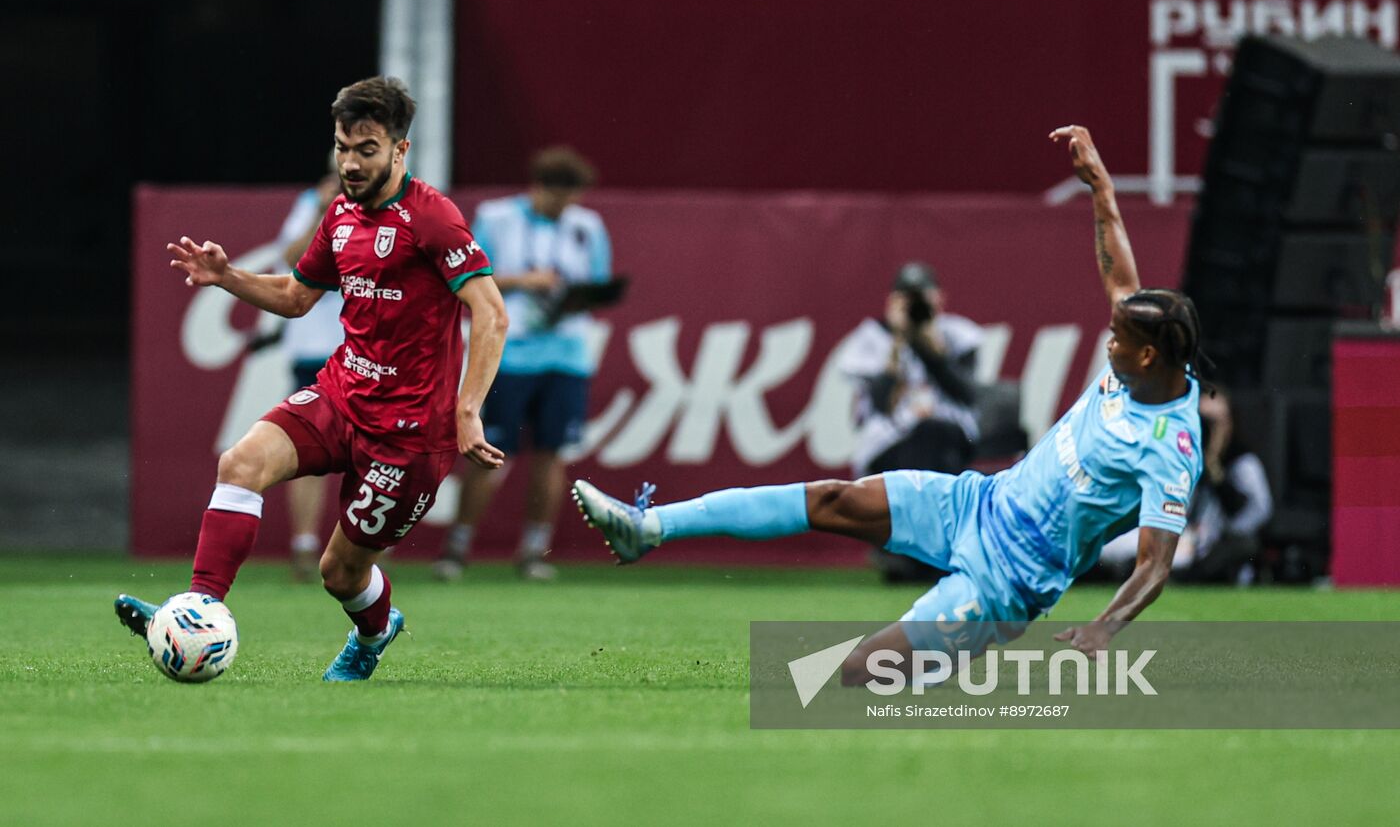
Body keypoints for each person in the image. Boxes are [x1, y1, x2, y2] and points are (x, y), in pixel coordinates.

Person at [573, 125, 1205, 679]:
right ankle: (649, 529)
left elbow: (1154, 564)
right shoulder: (1139, 363)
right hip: (975, 504)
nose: (1108, 339)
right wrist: (1101, 190)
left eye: (1119, 339)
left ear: (1149, 355)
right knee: (833, 498)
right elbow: (1120, 278)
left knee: (850, 678)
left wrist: (1105, 627)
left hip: (1009, 580)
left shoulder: (1169, 448)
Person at [114, 77, 509, 681]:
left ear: (400, 151)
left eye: (367, 149)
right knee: (240, 464)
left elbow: (492, 312)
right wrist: (228, 277)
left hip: (407, 436)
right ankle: (197, 609)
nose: (350, 163)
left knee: (340, 574)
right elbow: (298, 296)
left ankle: (374, 634)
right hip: (341, 394)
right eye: (342, 147)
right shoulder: (341, 214)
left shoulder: (432, 219)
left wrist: (467, 409)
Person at [434, 147, 611, 581]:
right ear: (538, 186)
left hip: (567, 355)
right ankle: (458, 548)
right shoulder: (496, 218)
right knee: (489, 451)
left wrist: (576, 296)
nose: (565, 206)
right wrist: (524, 281)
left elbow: (598, 283)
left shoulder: (587, 226)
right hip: (508, 354)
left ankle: (533, 551)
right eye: (558, 197)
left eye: (572, 198)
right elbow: (466, 276)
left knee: (552, 455)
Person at [838, 261, 982, 582]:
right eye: (907, 297)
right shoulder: (872, 338)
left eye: (922, 296)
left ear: (940, 298)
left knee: (933, 432)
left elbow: (967, 393)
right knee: (922, 437)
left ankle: (912, 554)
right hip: (890, 445)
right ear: (891, 302)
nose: (916, 304)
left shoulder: (957, 333)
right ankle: (926, 554)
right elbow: (878, 402)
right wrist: (900, 341)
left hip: (949, 439)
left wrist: (930, 347)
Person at [1098, 387, 1271, 584]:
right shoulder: (1180, 455)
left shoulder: (1242, 463)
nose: (1207, 430)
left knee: (1236, 546)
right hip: (1175, 534)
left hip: (1213, 543)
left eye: (1214, 424)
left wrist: (1214, 467)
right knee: (1112, 543)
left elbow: (1254, 514)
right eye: (1202, 422)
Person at [273, 166, 344, 581]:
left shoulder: (387, 212)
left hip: (366, 347)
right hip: (314, 348)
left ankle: (359, 547)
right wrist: (324, 211)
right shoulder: (312, 206)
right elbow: (288, 261)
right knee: (310, 452)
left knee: (372, 452)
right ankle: (304, 544)